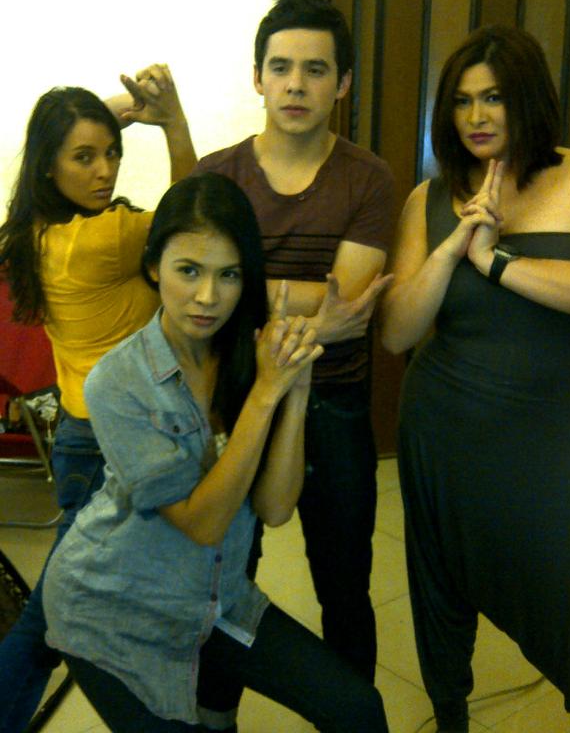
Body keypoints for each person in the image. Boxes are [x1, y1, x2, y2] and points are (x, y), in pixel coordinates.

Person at [41, 173, 390, 733]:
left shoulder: (249, 356)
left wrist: (296, 386)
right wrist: (266, 393)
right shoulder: (119, 381)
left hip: (214, 600)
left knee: (357, 708)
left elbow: (275, 508)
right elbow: (202, 523)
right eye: (188, 271)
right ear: (153, 267)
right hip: (113, 611)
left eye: (228, 274)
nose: (208, 297)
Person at [381, 25, 570, 732]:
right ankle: (450, 715)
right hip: (440, 429)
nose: (476, 116)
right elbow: (397, 333)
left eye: (494, 98)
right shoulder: (428, 198)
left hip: (537, 438)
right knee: (440, 593)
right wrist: (450, 251)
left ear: (527, 98)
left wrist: (495, 262)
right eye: (462, 101)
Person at [194, 0, 396, 683]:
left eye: (315, 69)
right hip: (234, 396)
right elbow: (202, 294)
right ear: (257, 77)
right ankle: (214, 715)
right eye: (280, 67)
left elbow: (352, 301)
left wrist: (241, 285)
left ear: (342, 83)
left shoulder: (368, 179)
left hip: (333, 403)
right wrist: (302, 304)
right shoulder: (218, 175)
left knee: (345, 583)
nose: (295, 84)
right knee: (224, 576)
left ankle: (353, 715)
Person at [0, 65, 196, 732]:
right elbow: (192, 213)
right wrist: (171, 122)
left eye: (111, 152)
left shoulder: (36, 230)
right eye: (84, 157)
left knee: (80, 603)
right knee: (52, 616)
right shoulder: (105, 238)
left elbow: (62, 143)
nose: (106, 170)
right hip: (111, 447)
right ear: (49, 166)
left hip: (85, 437)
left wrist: (113, 115)